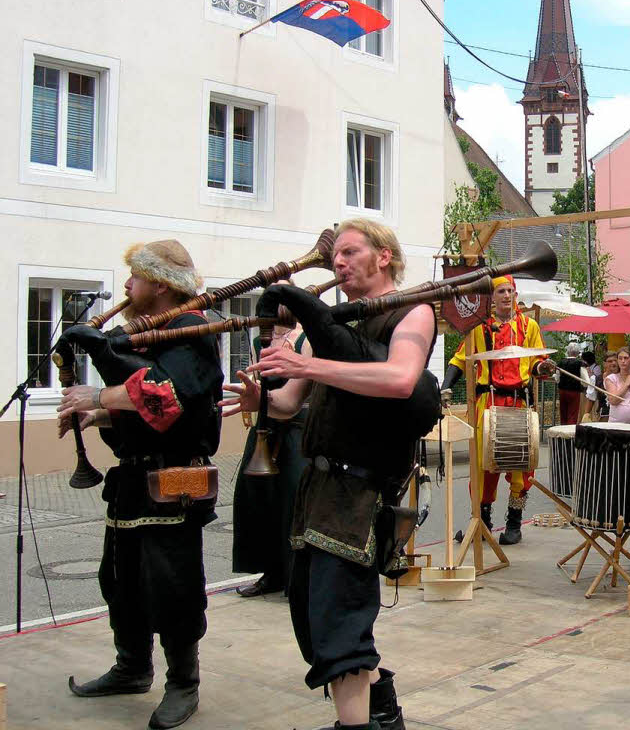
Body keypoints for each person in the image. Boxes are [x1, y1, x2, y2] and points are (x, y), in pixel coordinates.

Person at [221, 220, 434, 730]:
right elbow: (291, 402)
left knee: (341, 619)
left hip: (360, 490)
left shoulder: (413, 311)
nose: (337, 263)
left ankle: (356, 725)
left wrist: (309, 367)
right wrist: (261, 401)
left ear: (384, 256)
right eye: (334, 256)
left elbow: (401, 379)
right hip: (314, 487)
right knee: (311, 613)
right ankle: (380, 707)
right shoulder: (333, 324)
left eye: (349, 252)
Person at [59, 240, 222, 730]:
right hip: (132, 476)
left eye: (134, 276)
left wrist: (101, 383)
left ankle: (183, 683)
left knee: (170, 583)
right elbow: (146, 400)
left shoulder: (193, 329)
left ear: (159, 283)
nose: (126, 285)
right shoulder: (155, 331)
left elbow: (166, 397)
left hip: (174, 477)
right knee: (122, 578)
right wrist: (100, 413)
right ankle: (132, 667)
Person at [441, 276, 554, 546]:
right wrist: (445, 388)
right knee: (482, 467)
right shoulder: (478, 329)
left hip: (518, 403)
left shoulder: (529, 326)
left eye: (510, 291)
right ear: (491, 298)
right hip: (486, 404)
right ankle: (481, 521)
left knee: (520, 468)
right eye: (500, 291)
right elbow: (459, 360)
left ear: (515, 294)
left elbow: (537, 362)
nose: (506, 295)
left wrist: (543, 368)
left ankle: (514, 523)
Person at [232, 319, 309, 598]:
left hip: (297, 430)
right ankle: (271, 573)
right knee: (258, 499)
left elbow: (297, 395)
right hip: (266, 428)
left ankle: (295, 575)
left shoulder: (305, 338)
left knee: (293, 500)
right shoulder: (259, 341)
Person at [555, 342, 588, 425]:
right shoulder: (580, 363)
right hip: (574, 391)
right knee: (572, 414)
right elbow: (586, 382)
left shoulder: (561, 363)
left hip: (562, 391)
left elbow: (557, 379)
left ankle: (562, 434)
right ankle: (569, 436)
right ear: (577, 353)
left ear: (568, 351)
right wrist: (583, 386)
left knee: (563, 413)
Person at [597, 353, 618, 421]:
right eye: (610, 361)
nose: (613, 363)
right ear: (604, 364)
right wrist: (586, 413)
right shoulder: (597, 379)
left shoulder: (622, 377)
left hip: (620, 415)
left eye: (615, 360)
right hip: (604, 415)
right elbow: (591, 398)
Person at [580, 350, 599, 421]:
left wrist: (589, 373)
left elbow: (595, 380)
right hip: (586, 392)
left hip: (594, 394)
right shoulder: (585, 367)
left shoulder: (596, 368)